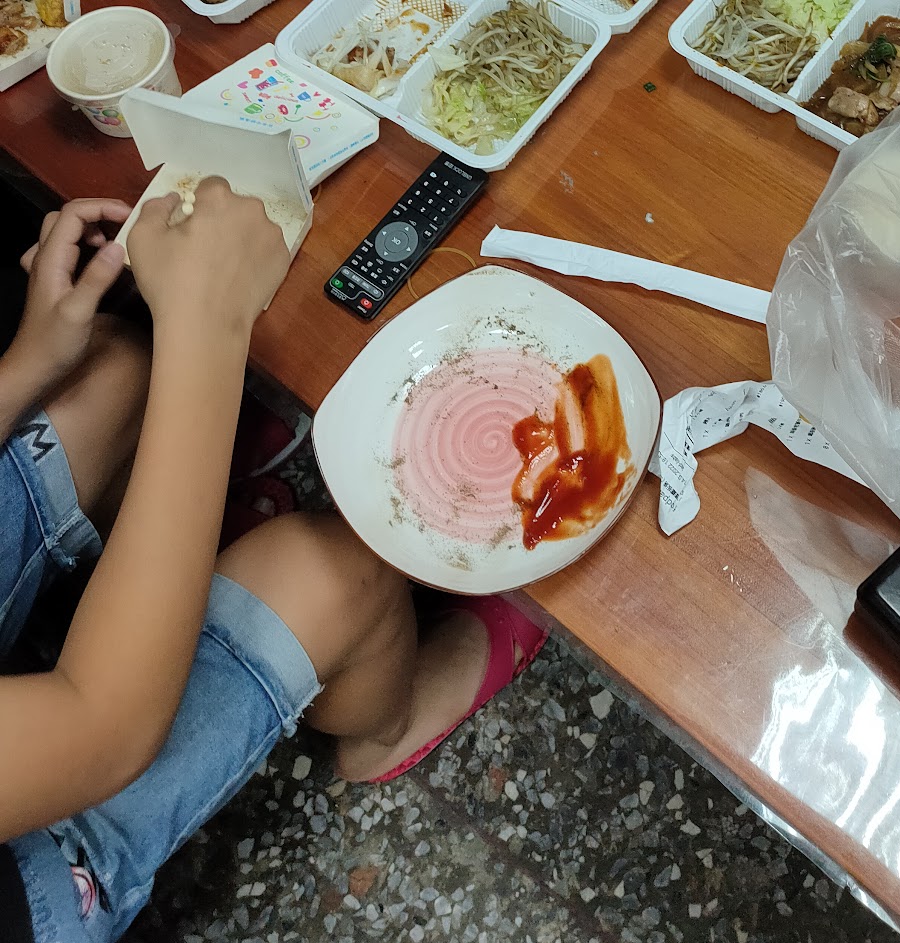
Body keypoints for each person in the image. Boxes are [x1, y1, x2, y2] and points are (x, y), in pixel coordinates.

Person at [0, 180, 545, 942]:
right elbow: (102, 728)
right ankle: (385, 733)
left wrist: (22, 368)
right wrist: (210, 327)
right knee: (338, 574)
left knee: (113, 371)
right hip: (28, 872)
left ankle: (176, 541)